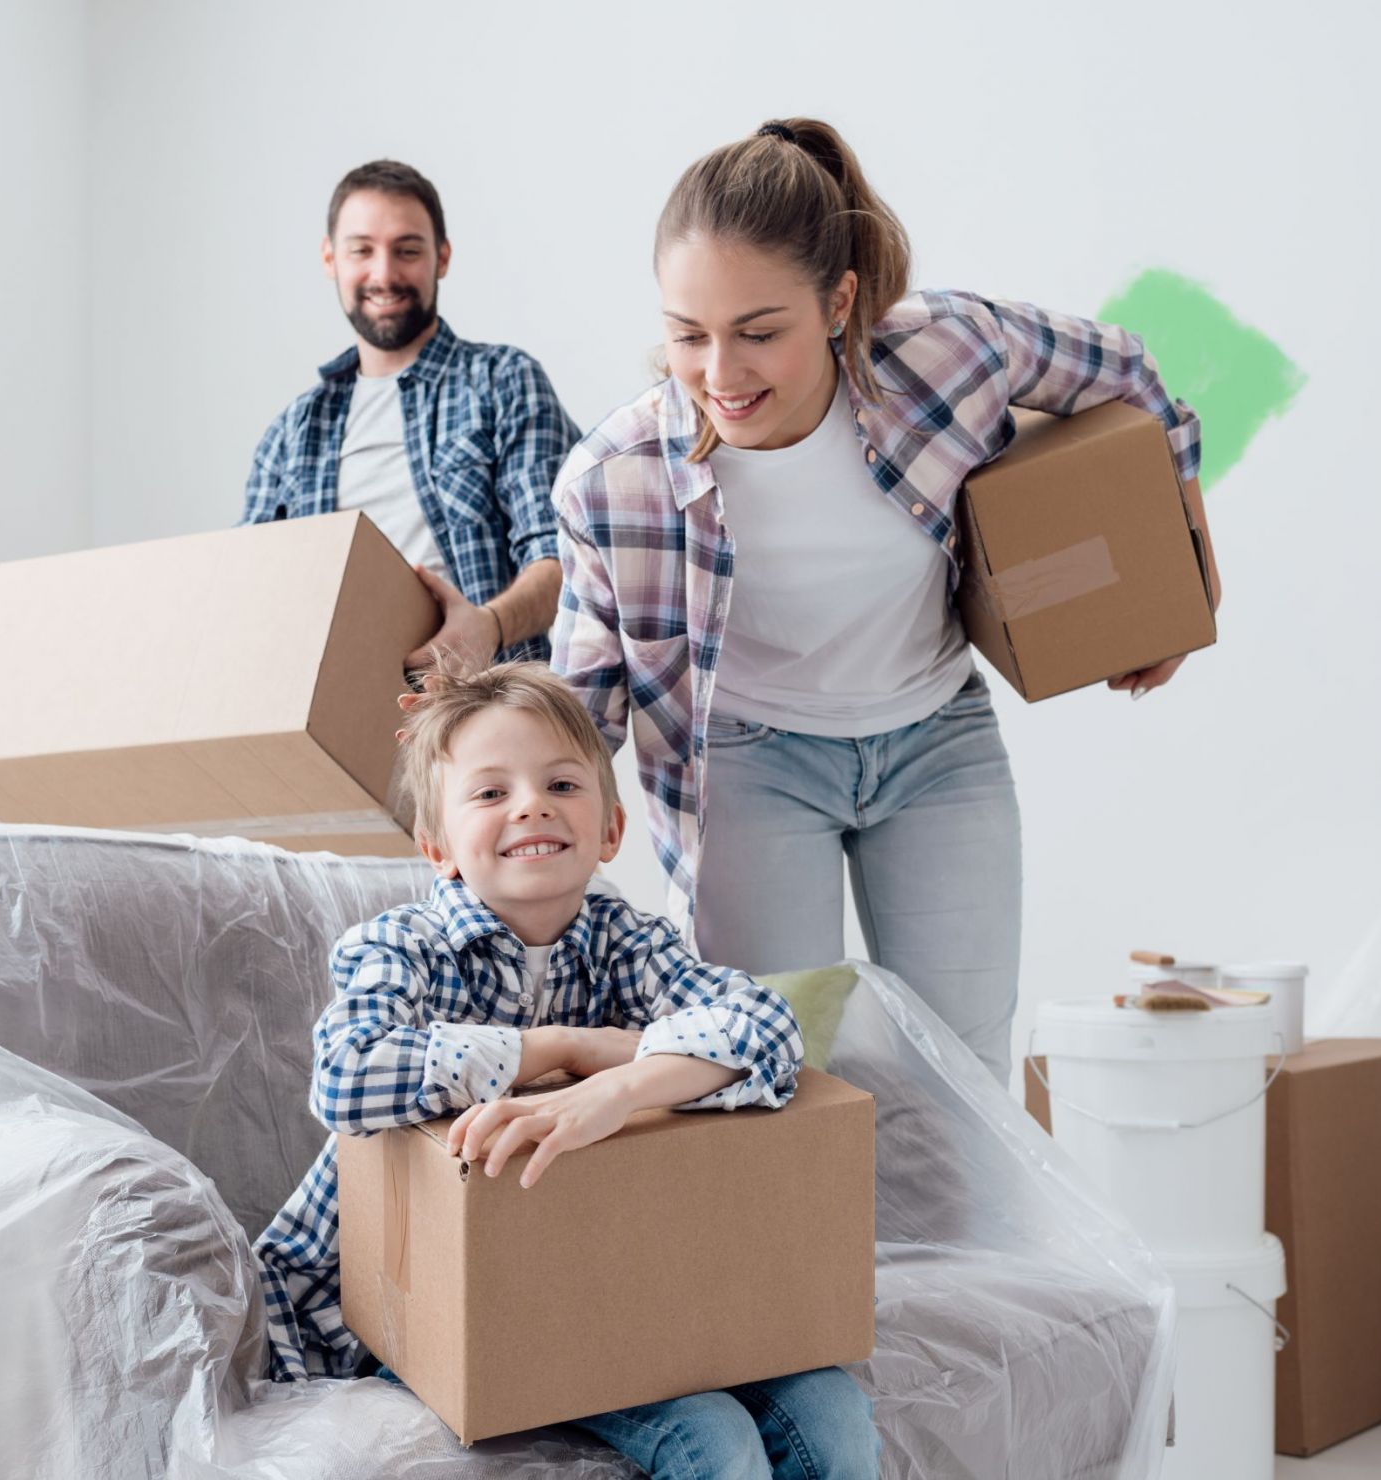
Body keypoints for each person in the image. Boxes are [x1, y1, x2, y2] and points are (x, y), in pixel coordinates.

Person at [552, 118, 1219, 1084]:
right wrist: (477, 781)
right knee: (777, 1073)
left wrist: (1189, 578)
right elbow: (580, 717)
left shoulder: (949, 353)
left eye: (759, 332)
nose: (722, 376)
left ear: (839, 301)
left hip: (935, 742)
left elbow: (1132, 379)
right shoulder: (613, 481)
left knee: (965, 1081)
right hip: (748, 768)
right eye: (687, 335)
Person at [252, 661, 878, 1479]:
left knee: (833, 1409)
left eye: (560, 783)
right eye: (489, 793)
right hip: (432, 1298)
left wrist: (615, 1087)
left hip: (612, 1273)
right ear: (436, 846)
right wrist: (561, 1050)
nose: (530, 805)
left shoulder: (627, 938)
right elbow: (343, 1075)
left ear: (611, 829)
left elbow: (766, 1026)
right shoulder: (399, 946)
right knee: (711, 1440)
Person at [241, 160, 579, 672]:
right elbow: (249, 596)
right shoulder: (291, 434)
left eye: (407, 250)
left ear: (441, 258)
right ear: (331, 257)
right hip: (338, 717)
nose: (384, 274)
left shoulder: (503, 381)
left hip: (483, 714)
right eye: (362, 250)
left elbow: (565, 559)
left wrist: (486, 628)